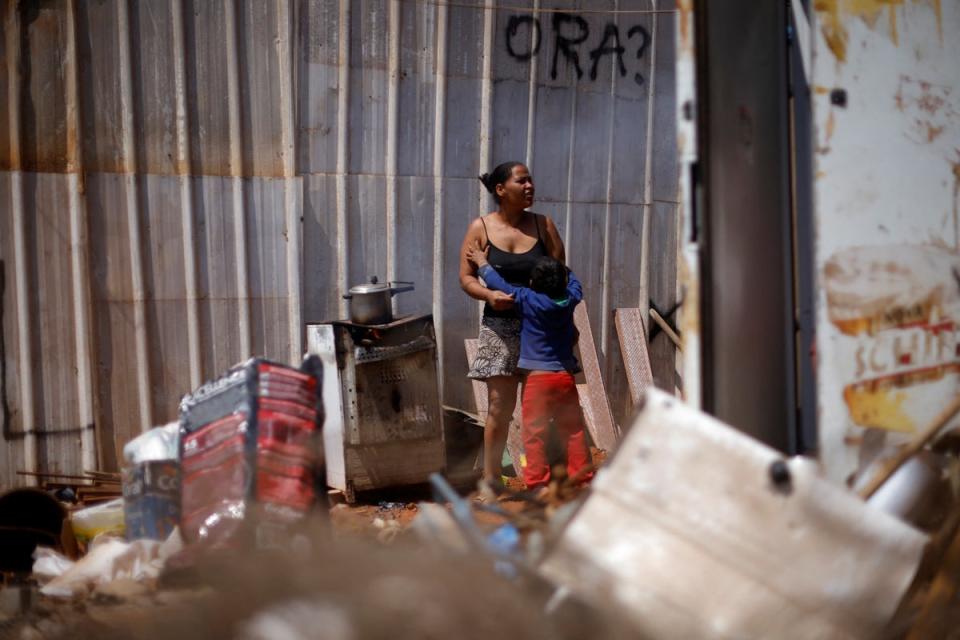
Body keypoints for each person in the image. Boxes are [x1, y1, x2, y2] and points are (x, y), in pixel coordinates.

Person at [459, 161, 565, 486]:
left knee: (540, 410)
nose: (530, 186)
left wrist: (544, 296)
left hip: (538, 330)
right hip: (499, 330)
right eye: (522, 181)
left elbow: (560, 273)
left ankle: (544, 479)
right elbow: (466, 278)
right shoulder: (481, 228)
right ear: (501, 189)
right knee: (498, 409)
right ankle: (491, 480)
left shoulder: (544, 226)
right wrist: (489, 297)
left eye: (531, 180)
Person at [465, 247, 592, 491]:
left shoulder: (527, 298)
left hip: (538, 380)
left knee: (534, 434)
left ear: (532, 282)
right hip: (565, 377)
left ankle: (537, 484)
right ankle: (583, 479)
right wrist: (567, 270)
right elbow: (577, 285)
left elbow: (497, 282)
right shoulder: (570, 299)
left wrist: (481, 262)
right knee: (574, 430)